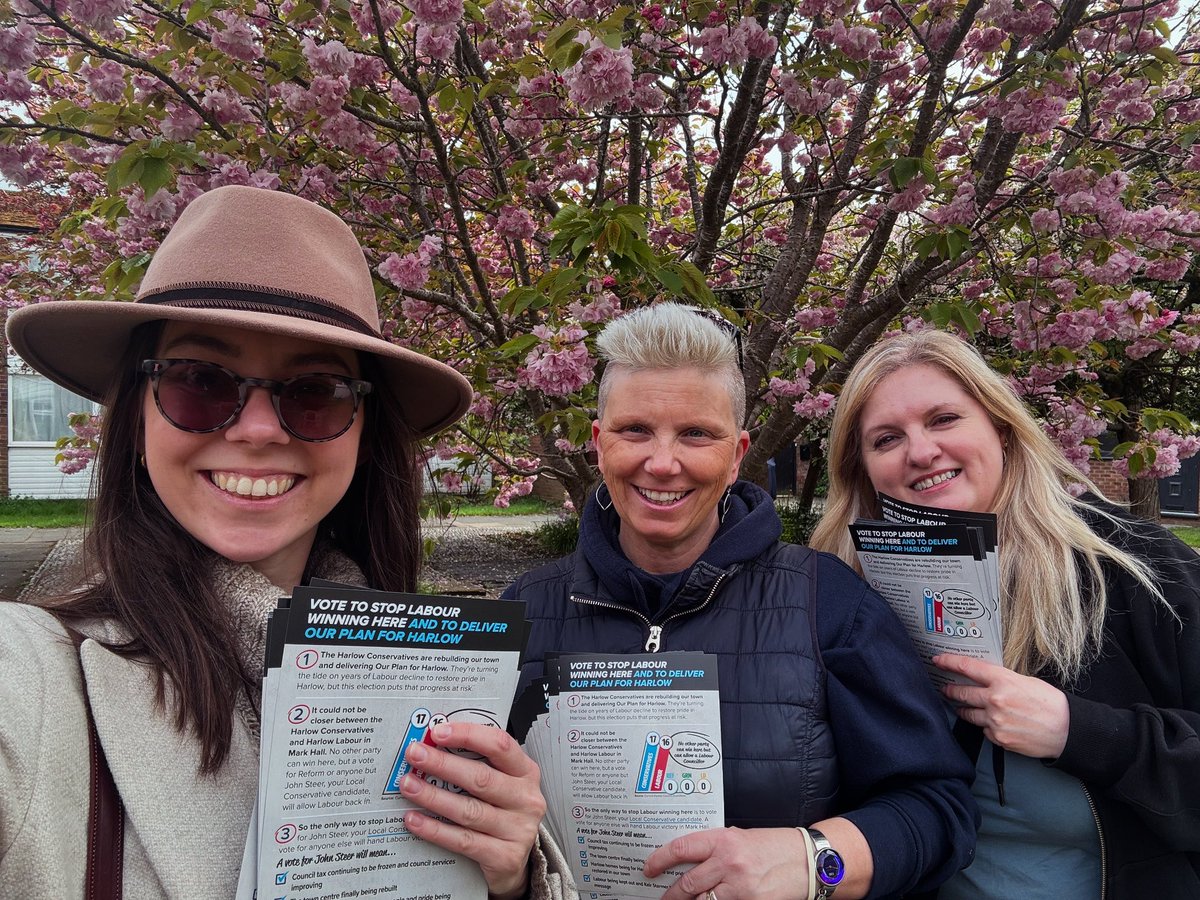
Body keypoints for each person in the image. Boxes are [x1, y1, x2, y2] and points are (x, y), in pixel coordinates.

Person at [0, 185, 558, 900]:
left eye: (314, 391)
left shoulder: (434, 685)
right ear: (137, 418)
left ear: (363, 436)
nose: (259, 430)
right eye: (199, 381)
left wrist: (507, 882)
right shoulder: (32, 681)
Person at [504, 303, 978, 899]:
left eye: (696, 434)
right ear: (599, 445)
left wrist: (812, 859)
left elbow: (937, 808)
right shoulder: (525, 609)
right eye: (635, 431)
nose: (663, 463)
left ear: (735, 455)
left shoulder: (826, 600)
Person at [809, 329, 1200, 898]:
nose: (920, 452)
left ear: (1002, 429)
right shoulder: (842, 600)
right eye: (886, 439)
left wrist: (1079, 731)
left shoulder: (1134, 568)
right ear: (862, 469)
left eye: (944, 419)